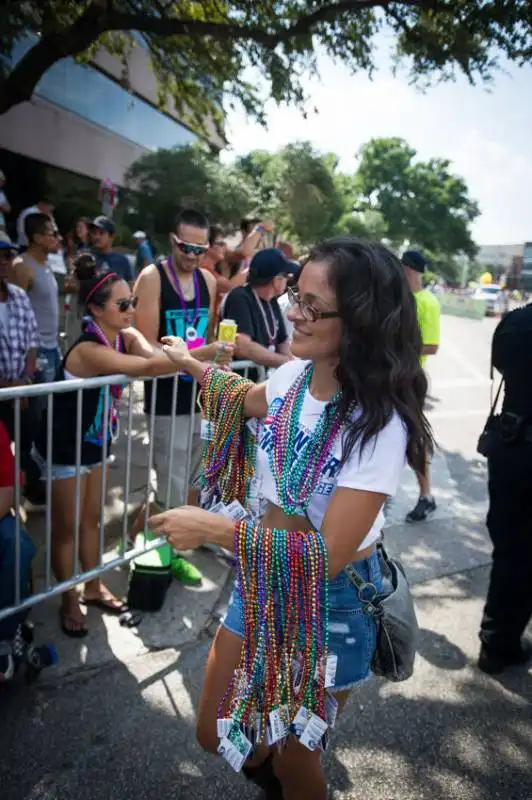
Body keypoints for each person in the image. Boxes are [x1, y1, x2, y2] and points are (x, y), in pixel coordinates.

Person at [149, 237, 432, 799]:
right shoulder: (293, 379)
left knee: (296, 759)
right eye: (294, 297)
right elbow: (246, 397)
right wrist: (188, 363)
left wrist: (213, 528)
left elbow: (327, 556)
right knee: (212, 732)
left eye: (310, 306)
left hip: (331, 604)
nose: (291, 313)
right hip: (262, 578)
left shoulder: (378, 423)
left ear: (360, 322)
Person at [32, 253, 181, 637]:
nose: (131, 310)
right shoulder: (88, 349)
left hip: (96, 440)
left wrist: (189, 355)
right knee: (65, 528)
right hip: (65, 445)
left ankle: (94, 585)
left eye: (132, 301)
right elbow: (148, 369)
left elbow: (154, 357)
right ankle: (68, 598)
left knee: (93, 520)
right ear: (97, 309)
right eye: (123, 304)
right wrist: (202, 358)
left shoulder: (122, 333)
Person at [133, 209, 232, 586]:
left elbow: (202, 335)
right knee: (170, 484)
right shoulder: (152, 278)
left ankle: (161, 542)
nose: (191, 254)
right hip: (165, 398)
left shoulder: (208, 280)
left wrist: (215, 356)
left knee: (190, 480)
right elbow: (146, 354)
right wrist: (204, 354)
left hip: (198, 397)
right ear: (172, 241)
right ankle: (160, 559)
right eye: (185, 246)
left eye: (199, 248)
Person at [477, 307, 532, 674]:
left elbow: (501, 368)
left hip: (511, 447)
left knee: (510, 550)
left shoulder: (514, 321)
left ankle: (496, 641)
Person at [402, 250, 441, 522]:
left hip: (410, 379)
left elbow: (432, 345)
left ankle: (426, 496)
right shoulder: (398, 298)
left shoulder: (427, 301)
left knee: (414, 439)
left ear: (411, 270)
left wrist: (394, 345)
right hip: (387, 376)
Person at [0, 239, 40, 492]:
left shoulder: (19, 295)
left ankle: (24, 496)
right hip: (5, 390)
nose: (3, 262)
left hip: (21, 391)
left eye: (7, 255)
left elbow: (32, 342)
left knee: (27, 446)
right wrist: (8, 387)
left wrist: (24, 383)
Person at [223, 248, 297, 377]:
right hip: (238, 384)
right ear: (276, 279)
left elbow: (282, 342)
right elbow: (242, 346)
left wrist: (293, 367)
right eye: (286, 276)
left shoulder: (271, 300)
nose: (287, 280)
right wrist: (285, 362)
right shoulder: (240, 297)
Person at [11, 213, 62, 384]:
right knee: (39, 408)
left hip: (53, 347)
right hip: (36, 352)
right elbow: (14, 315)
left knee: (51, 406)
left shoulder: (46, 264)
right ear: (38, 238)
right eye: (54, 233)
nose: (59, 238)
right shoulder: (22, 267)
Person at [89, 216, 134, 284]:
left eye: (101, 233)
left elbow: (130, 285)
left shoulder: (122, 261)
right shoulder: (87, 258)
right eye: (94, 233)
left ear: (112, 236)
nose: (97, 236)